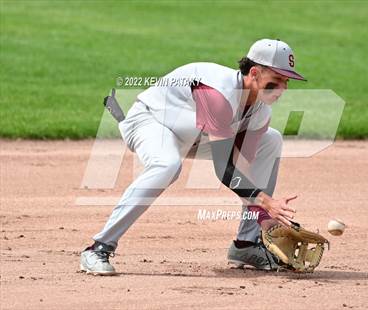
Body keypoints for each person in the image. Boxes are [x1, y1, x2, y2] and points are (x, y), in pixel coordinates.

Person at [80, 39, 307, 275]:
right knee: (167, 165)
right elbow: (224, 170)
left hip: (197, 136)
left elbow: (242, 171)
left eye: (286, 81)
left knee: (271, 140)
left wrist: (263, 217)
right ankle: (98, 248)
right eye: (277, 80)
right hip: (151, 122)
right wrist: (267, 202)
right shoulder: (219, 93)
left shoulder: (260, 111)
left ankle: (246, 245)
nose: (283, 88)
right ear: (254, 73)